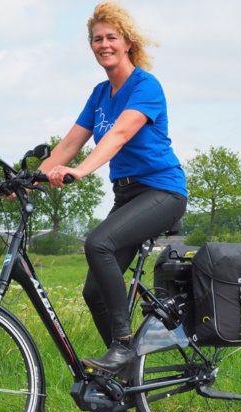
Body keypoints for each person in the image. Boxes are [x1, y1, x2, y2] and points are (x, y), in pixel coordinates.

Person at [38, 2, 187, 374]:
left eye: (110, 38)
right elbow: (68, 144)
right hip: (127, 196)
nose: (103, 44)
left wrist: (82, 171)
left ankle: (123, 347)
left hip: (162, 193)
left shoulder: (146, 86)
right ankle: (124, 375)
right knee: (94, 292)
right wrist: (31, 181)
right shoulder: (100, 93)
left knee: (98, 244)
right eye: (96, 39)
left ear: (127, 43)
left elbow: (119, 135)